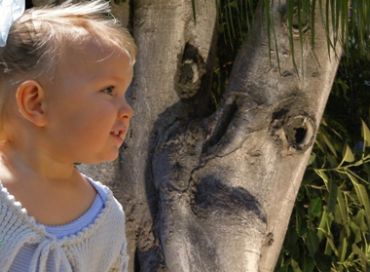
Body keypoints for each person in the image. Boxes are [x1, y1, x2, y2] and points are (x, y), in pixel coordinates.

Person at [0, 0, 137, 271]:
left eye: (124, 93)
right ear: (35, 102)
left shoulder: (106, 217)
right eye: (109, 90)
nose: (128, 111)